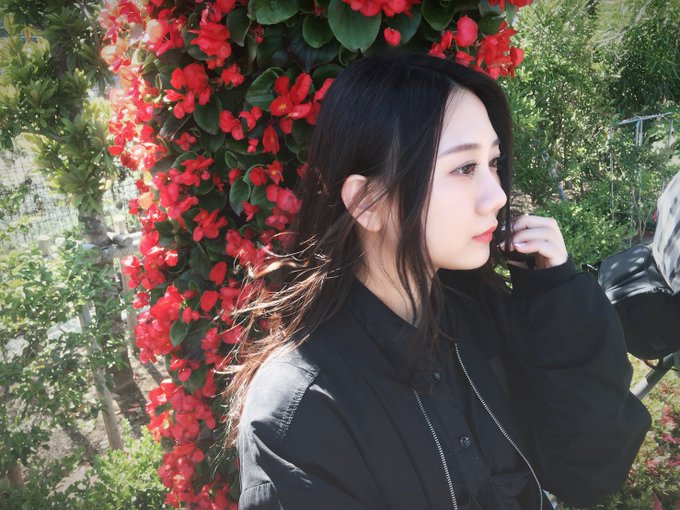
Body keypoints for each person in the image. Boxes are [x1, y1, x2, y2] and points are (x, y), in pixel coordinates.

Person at [225, 51, 651, 509]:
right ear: (368, 203)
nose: (497, 195)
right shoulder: (300, 415)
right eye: (464, 168)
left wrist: (556, 299)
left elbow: (589, 472)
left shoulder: (475, 318)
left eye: (493, 162)